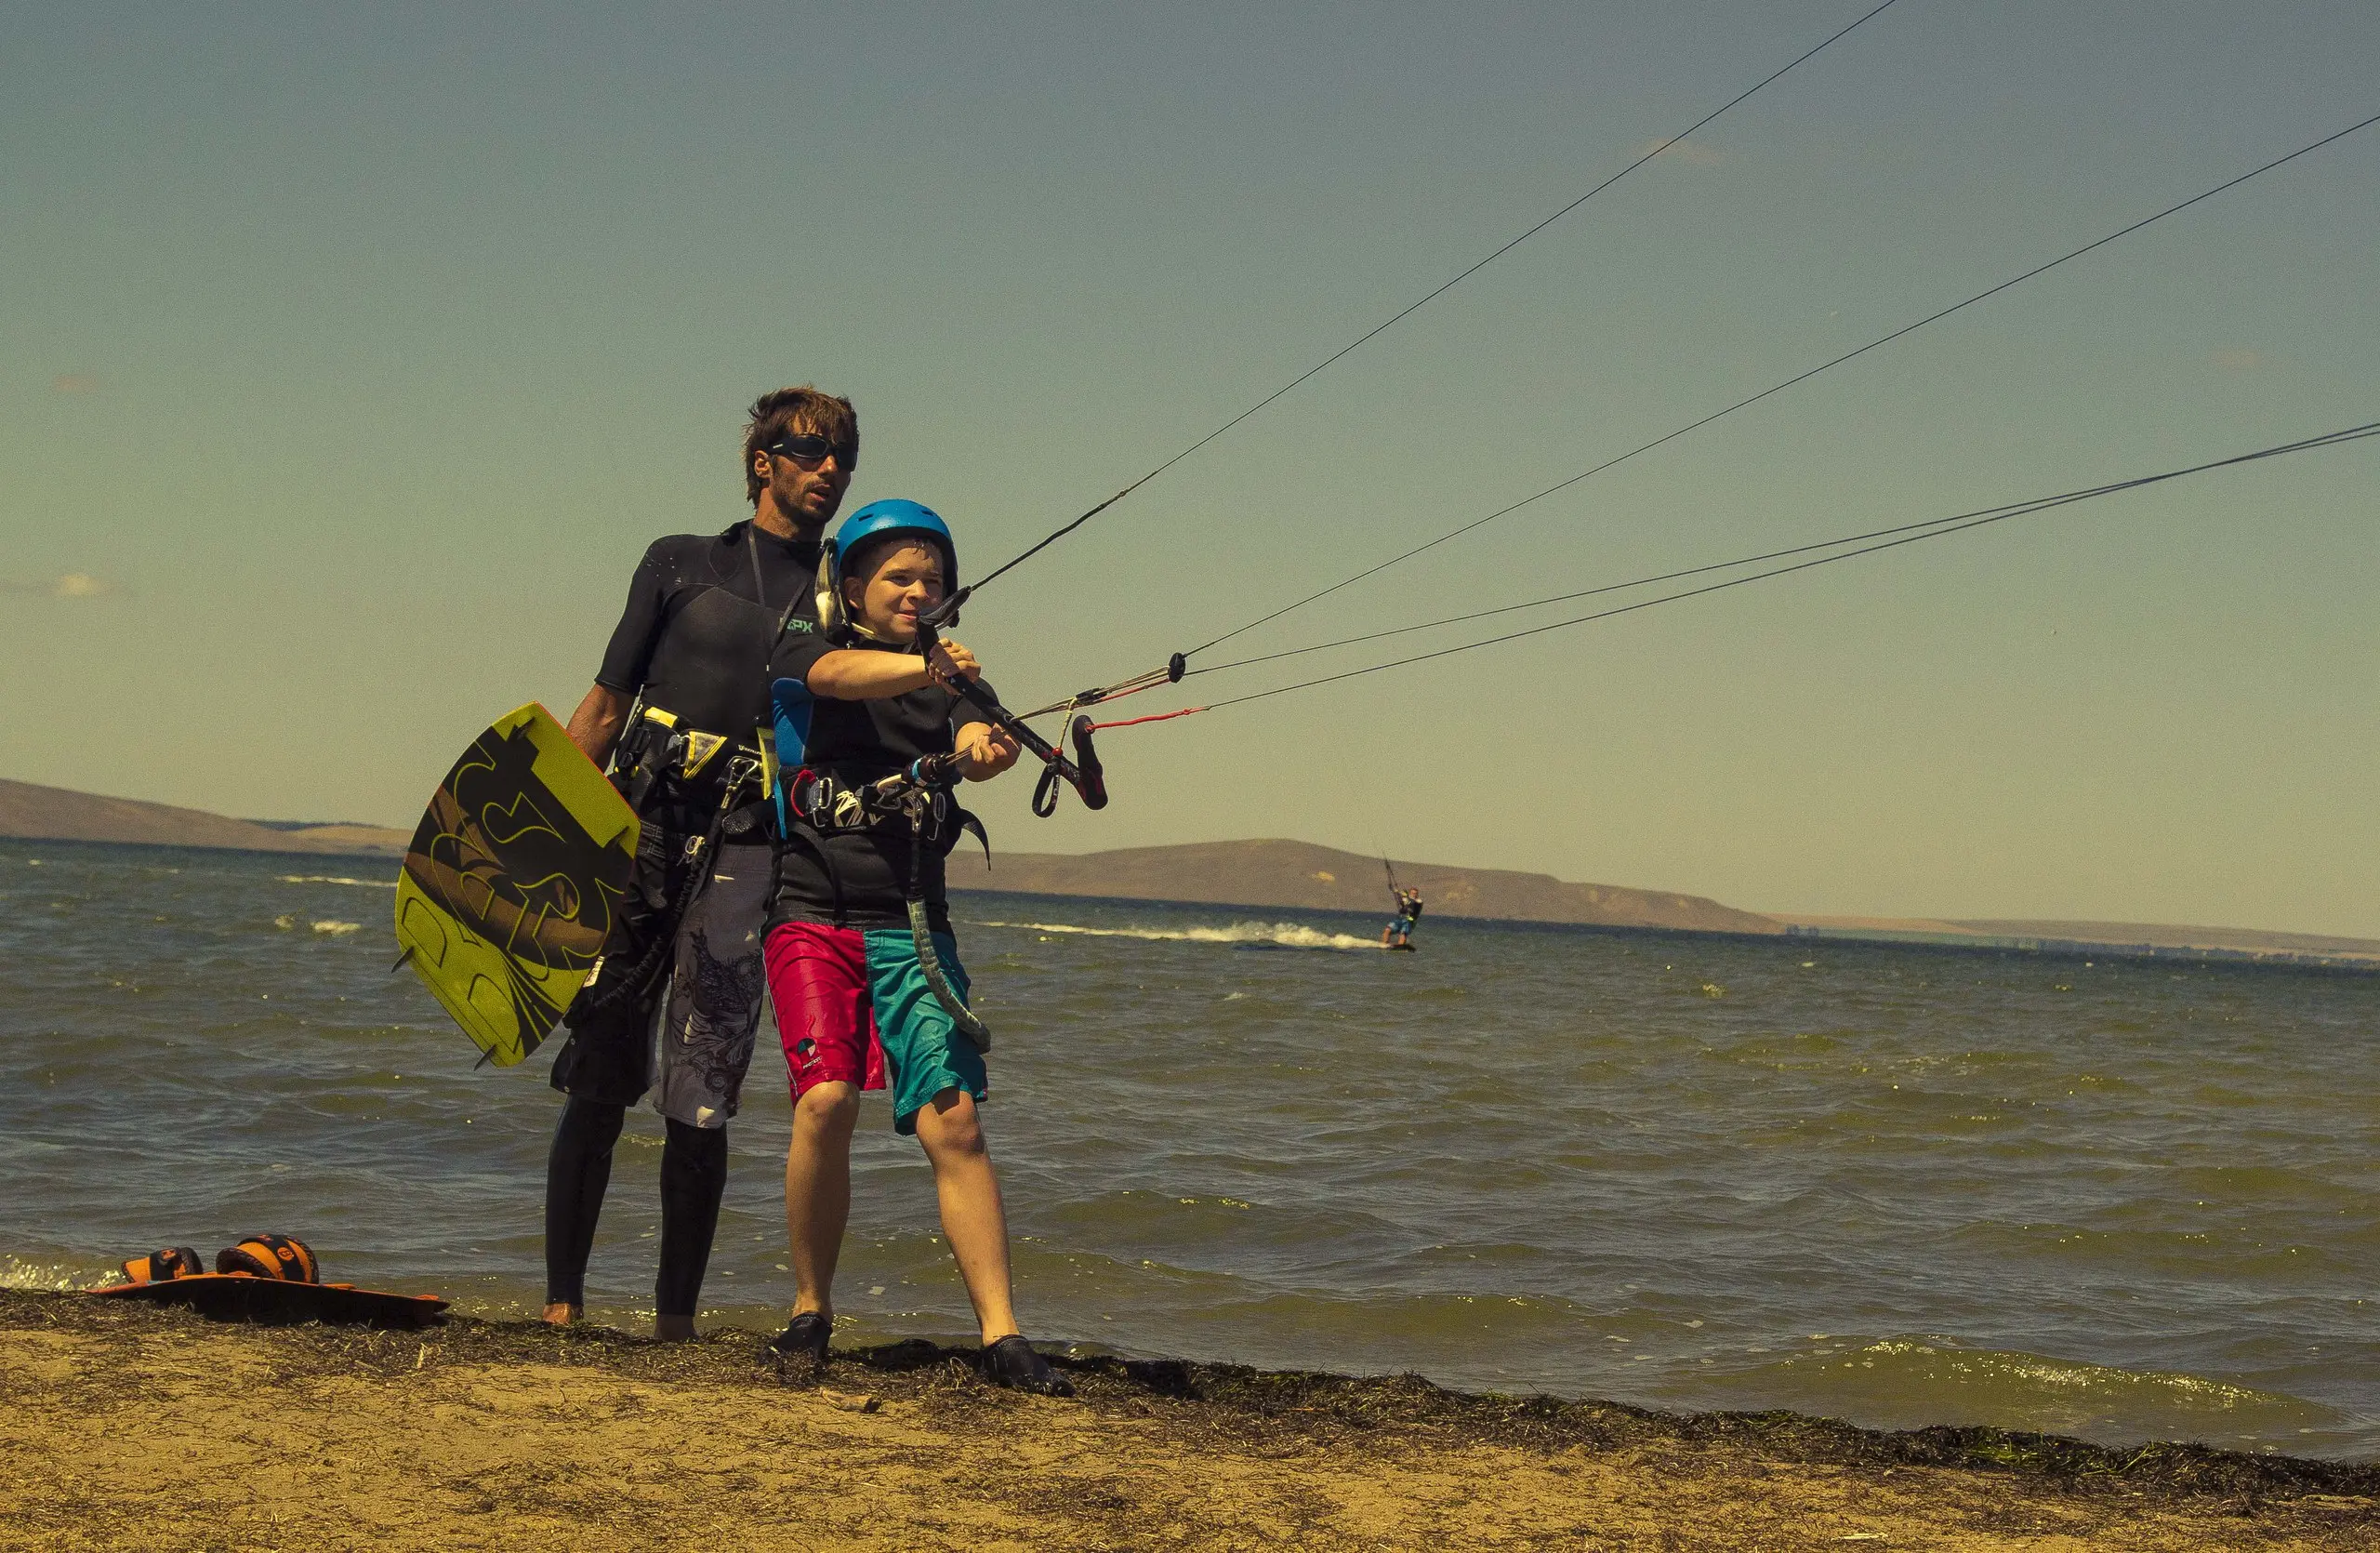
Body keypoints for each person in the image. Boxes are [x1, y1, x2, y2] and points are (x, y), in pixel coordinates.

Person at [540, 386, 857, 1338]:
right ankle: (563, 1304)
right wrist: (541, 845)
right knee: (600, 1069)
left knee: (704, 1095)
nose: (830, 470)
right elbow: (601, 708)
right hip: (638, 836)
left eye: (844, 456)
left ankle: (673, 1321)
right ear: (764, 460)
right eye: (810, 450)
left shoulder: (844, 599)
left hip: (747, 862)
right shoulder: (679, 562)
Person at [759, 499, 1073, 1396]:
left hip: (914, 923)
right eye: (899, 577)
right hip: (813, 911)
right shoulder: (803, 649)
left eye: (932, 580)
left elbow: (976, 735)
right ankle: (810, 1310)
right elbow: (838, 679)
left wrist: (980, 745)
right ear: (851, 585)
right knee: (825, 1100)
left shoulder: (943, 677)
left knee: (956, 1122)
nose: (917, 590)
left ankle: (1003, 1337)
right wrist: (921, 667)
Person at [1384, 885, 1423, 949]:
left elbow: (1415, 904)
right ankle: (1385, 944)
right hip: (1400, 919)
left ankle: (1400, 947)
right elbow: (1401, 901)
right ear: (1410, 893)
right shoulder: (1406, 899)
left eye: (1415, 894)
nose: (1414, 894)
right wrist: (1397, 892)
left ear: (1417, 895)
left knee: (1403, 934)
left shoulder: (1418, 902)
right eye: (1412, 893)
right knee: (1387, 930)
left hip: (1409, 921)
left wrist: (1406, 897)